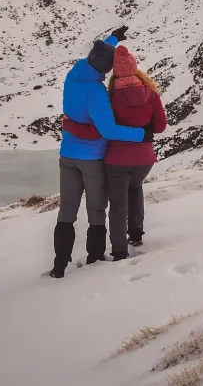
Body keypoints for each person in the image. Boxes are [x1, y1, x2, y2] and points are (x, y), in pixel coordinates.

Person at [50, 29, 152, 279]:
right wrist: (141, 135)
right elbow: (108, 129)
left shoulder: (73, 75)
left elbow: (99, 52)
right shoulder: (96, 92)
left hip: (67, 155)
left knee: (66, 213)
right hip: (92, 159)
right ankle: (95, 258)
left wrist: (114, 38)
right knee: (96, 211)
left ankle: (59, 267)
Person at [104, 45, 167, 259]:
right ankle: (137, 234)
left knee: (118, 203)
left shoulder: (110, 97)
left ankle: (119, 249)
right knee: (136, 188)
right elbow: (159, 127)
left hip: (117, 159)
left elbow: (105, 127)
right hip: (144, 158)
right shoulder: (150, 93)